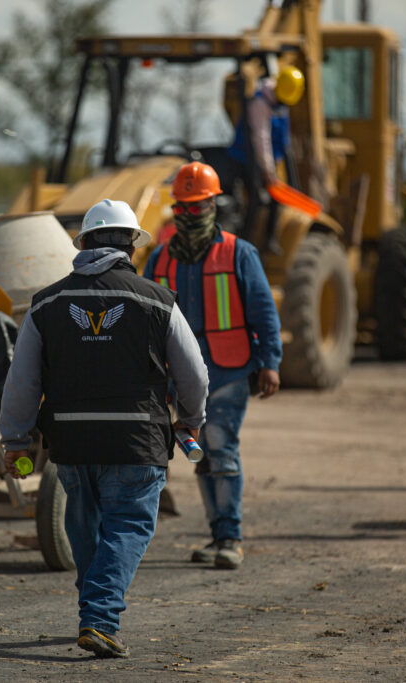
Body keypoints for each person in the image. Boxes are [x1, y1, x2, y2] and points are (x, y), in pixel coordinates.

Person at [0, 199, 208, 659]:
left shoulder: (46, 303)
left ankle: (93, 611)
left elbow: (21, 382)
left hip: (71, 444)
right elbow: (195, 375)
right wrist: (190, 420)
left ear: (85, 243)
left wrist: (14, 440)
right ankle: (99, 618)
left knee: (86, 524)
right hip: (137, 442)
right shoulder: (158, 300)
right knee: (128, 525)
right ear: (132, 243)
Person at [145, 161, 282, 568]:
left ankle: (230, 538)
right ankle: (219, 534)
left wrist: (270, 362)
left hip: (227, 370)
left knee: (220, 448)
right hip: (178, 377)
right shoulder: (159, 259)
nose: (189, 214)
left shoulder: (240, 253)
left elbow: (264, 312)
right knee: (200, 454)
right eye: (183, 207)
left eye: (198, 206)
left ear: (213, 205)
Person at [227, 65, 305, 254]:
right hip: (247, 159)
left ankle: (270, 240)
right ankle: (244, 242)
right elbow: (261, 139)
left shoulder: (280, 104)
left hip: (266, 161)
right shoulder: (260, 104)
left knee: (276, 199)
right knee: (256, 198)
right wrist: (268, 171)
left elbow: (281, 138)